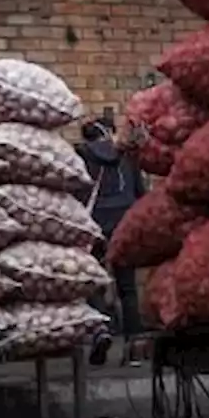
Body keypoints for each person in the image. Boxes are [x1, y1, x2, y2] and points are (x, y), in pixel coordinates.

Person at [76, 116, 147, 366]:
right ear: (112, 132)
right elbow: (141, 195)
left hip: (95, 227)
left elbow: (77, 194)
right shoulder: (128, 157)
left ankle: (100, 332)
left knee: (93, 283)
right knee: (127, 287)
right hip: (124, 226)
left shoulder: (82, 158)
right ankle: (136, 345)